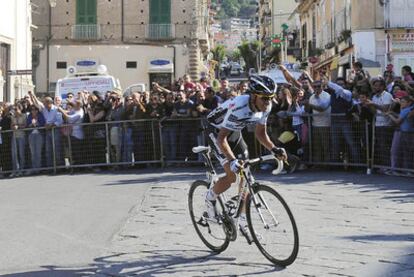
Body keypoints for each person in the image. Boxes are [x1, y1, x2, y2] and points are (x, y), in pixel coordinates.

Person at [204, 75, 287, 236]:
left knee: (246, 173)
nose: (268, 102)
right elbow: (221, 138)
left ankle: (242, 220)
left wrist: (274, 148)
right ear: (254, 96)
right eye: (264, 98)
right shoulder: (239, 106)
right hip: (216, 132)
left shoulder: (266, 106)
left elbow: (261, 133)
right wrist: (233, 160)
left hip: (234, 131)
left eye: (271, 98)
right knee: (232, 176)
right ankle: (210, 197)